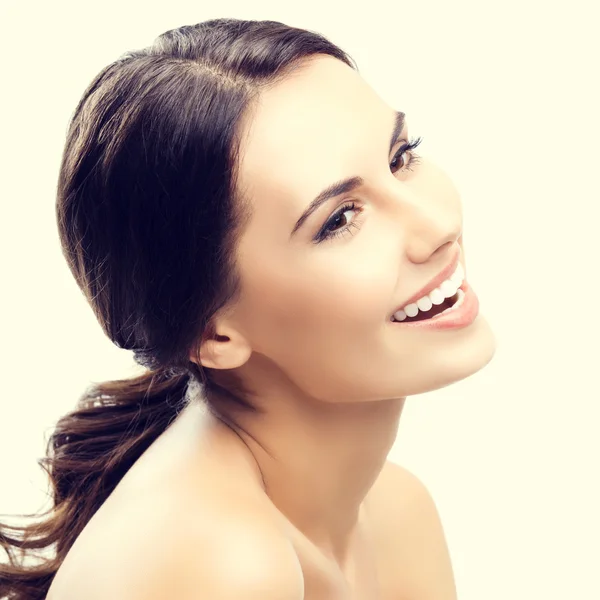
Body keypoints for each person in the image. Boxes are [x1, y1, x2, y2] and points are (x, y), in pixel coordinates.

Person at [0, 17, 496, 600]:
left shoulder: (396, 515)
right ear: (213, 333)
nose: (438, 226)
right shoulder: (216, 564)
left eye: (401, 155)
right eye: (339, 219)